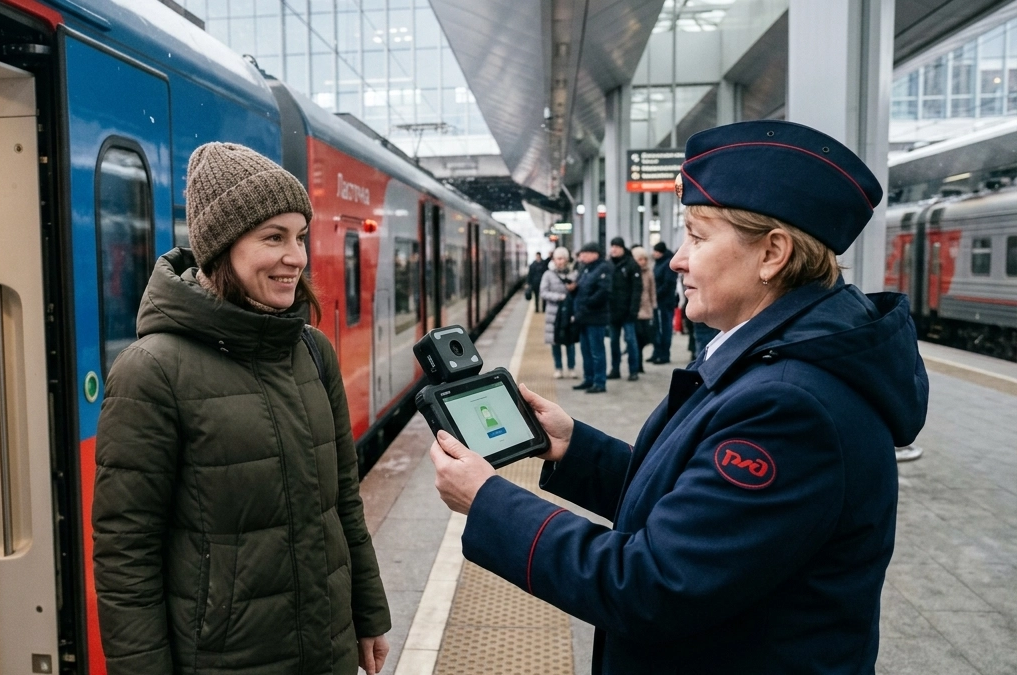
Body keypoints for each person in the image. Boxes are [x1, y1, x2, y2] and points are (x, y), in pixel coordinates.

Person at [426, 120, 928, 674]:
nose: (676, 259)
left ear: (772, 254)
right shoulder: (772, 356)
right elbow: (690, 510)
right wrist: (574, 449)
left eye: (698, 236)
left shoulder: (791, 407)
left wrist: (489, 500)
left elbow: (652, 584)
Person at [93, 143, 391, 675]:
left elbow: (343, 501)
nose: (296, 257)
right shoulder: (153, 371)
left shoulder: (311, 352)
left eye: (299, 236)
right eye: (273, 238)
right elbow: (126, 557)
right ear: (221, 248)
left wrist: (367, 613)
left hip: (328, 649)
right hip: (225, 661)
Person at [569, 242, 613, 394]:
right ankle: (589, 379)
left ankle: (599, 382)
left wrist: (587, 304)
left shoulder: (604, 268)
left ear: (595, 254)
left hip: (595, 317)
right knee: (586, 351)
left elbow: (603, 292)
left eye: (585, 253)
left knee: (597, 351)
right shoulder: (585, 268)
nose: (582, 256)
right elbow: (582, 288)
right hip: (583, 317)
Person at [606, 237, 641, 381]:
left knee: (631, 341)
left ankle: (634, 370)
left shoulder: (632, 264)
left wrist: (633, 310)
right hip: (613, 312)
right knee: (614, 342)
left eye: (616, 246)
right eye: (612, 246)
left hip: (627, 312)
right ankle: (615, 369)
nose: (613, 249)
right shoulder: (609, 265)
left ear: (622, 248)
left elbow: (637, 290)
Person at [541, 247, 578, 379]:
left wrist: (573, 290)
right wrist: (559, 297)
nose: (560, 261)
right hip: (554, 314)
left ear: (567, 259)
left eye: (562, 258)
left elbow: (578, 293)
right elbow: (543, 292)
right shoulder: (548, 275)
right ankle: (558, 368)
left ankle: (571, 368)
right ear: (554, 260)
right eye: (558, 258)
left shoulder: (574, 274)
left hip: (569, 313)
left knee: (570, 342)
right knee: (555, 342)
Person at [629, 245, 656, 380]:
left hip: (646, 310)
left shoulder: (649, 273)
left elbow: (652, 291)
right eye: (639, 259)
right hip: (635, 311)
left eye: (644, 259)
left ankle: (639, 362)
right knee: (636, 339)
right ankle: (637, 364)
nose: (642, 262)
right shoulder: (631, 273)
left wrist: (654, 306)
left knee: (645, 338)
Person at [649, 241, 679, 363]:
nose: (654, 254)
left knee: (664, 329)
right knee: (657, 328)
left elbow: (667, 284)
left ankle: (664, 354)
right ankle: (657, 352)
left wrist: (655, 295)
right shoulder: (658, 263)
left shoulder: (667, 264)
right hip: (658, 301)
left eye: (656, 251)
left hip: (664, 302)